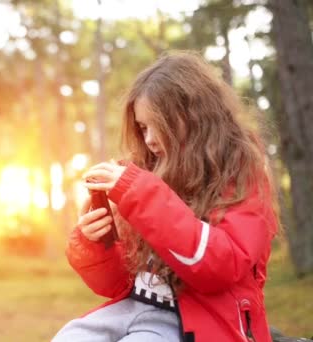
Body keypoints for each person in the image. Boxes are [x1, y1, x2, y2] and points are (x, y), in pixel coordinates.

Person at [52, 51, 279, 342]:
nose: (148, 140)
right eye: (142, 127)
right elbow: (116, 285)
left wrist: (141, 194)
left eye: (156, 124)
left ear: (192, 116)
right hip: (135, 307)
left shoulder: (239, 169)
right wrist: (97, 243)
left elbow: (221, 266)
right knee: (70, 337)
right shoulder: (146, 171)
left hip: (199, 318)